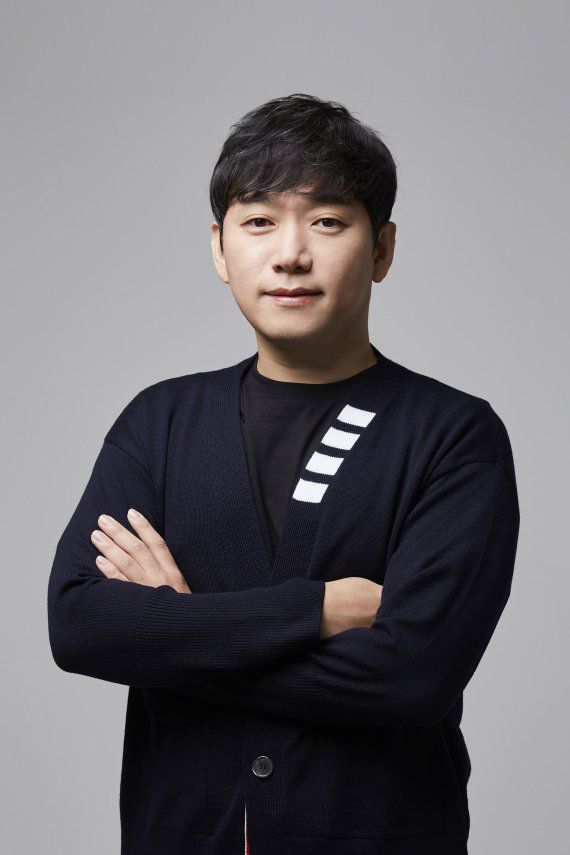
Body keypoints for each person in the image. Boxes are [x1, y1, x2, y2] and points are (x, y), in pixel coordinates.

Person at [47, 92, 520, 855]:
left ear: (382, 248)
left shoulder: (454, 436)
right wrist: (315, 610)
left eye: (327, 221)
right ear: (219, 248)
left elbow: (410, 677)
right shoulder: (158, 422)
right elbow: (79, 625)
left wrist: (174, 627)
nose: (290, 253)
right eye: (259, 221)